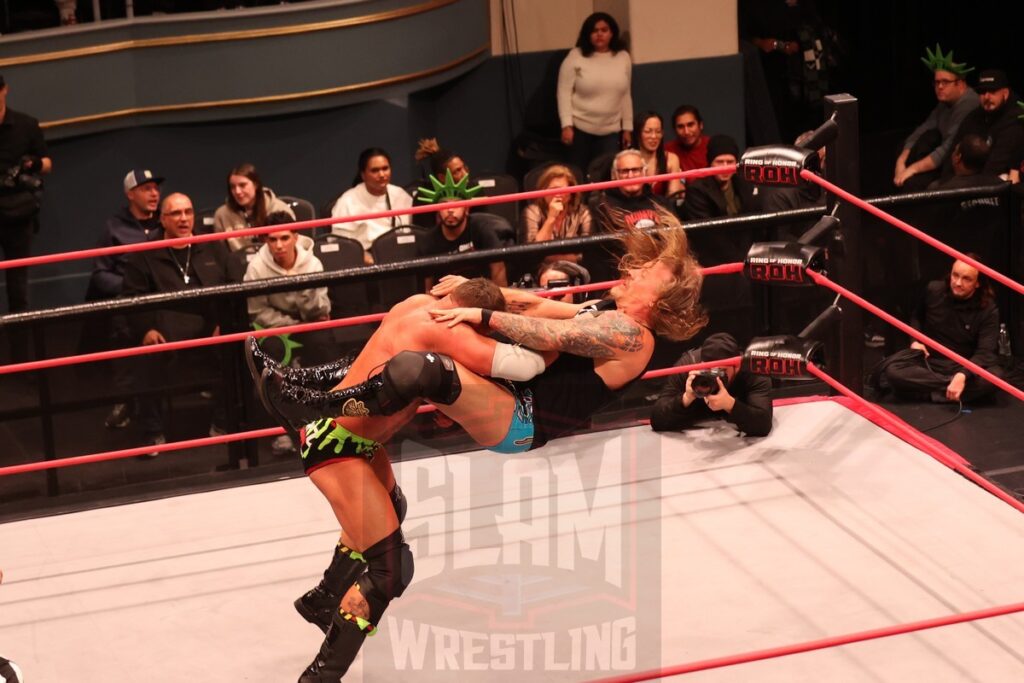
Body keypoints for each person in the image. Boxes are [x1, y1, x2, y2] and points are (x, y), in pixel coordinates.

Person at [250, 218, 707, 681]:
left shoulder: (634, 337)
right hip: (507, 390)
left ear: (662, 297)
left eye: (653, 271)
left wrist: (481, 316)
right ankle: (310, 386)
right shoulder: (604, 307)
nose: (638, 268)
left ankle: (315, 406)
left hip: (521, 417)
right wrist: (476, 290)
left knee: (423, 364)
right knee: (419, 309)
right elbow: (534, 303)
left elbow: (550, 336)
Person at [121, 193, 231, 453]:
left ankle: (225, 424)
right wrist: (146, 329)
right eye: (176, 214)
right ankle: (152, 432)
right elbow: (131, 298)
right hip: (164, 330)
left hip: (209, 328)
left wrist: (223, 323)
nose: (184, 219)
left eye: (188, 212)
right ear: (163, 219)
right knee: (145, 356)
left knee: (237, 347)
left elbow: (231, 288)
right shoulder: (144, 255)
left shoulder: (213, 246)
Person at [245, 211, 332, 455]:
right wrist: (292, 323)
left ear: (296, 236)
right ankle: (285, 429)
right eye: (272, 240)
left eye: (284, 238)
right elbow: (257, 311)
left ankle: (325, 420)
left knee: (323, 344)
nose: (279, 245)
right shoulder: (255, 267)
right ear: (265, 241)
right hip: (275, 330)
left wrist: (302, 286)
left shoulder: (313, 263)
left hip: (307, 324)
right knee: (271, 357)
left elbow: (321, 309)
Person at [874, 257, 1002, 403]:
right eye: (955, 275)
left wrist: (962, 375)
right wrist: (915, 341)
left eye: (967, 279)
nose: (958, 283)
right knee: (893, 371)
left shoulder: (988, 309)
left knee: (995, 377)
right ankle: (952, 392)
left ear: (978, 283)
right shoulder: (934, 290)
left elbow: (985, 353)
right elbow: (916, 316)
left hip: (965, 365)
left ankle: (926, 395)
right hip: (930, 363)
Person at [650, 332, 773, 436]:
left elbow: (763, 425)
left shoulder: (752, 370)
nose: (715, 376)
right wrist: (685, 399)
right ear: (701, 363)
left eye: (721, 371)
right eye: (708, 370)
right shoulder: (689, 365)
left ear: (737, 367)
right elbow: (657, 421)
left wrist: (730, 404)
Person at [0, 73, 52, 315]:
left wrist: (33, 164)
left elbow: (48, 163)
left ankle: (22, 353)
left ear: (5, 90)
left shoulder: (26, 124)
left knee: (18, 292)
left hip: (19, 215)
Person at [894, 45, 978, 191]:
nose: (939, 87)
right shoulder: (944, 104)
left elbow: (947, 148)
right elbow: (922, 130)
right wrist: (901, 161)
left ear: (960, 84)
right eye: (937, 82)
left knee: (915, 183)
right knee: (904, 147)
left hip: (960, 166)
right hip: (946, 161)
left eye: (945, 82)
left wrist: (912, 169)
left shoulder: (968, 104)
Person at [557, 12, 633, 171]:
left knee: (606, 175)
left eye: (604, 30)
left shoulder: (623, 57)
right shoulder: (575, 56)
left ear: (612, 33)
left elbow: (625, 94)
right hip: (580, 130)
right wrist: (566, 125)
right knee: (577, 175)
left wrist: (627, 127)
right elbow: (563, 92)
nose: (599, 34)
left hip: (611, 130)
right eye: (594, 30)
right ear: (588, 34)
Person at [416, 173, 507, 289]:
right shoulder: (428, 241)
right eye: (444, 204)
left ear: (467, 209)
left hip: (482, 294)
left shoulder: (481, 228)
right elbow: (427, 288)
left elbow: (498, 268)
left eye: (457, 204)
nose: (450, 210)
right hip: (446, 300)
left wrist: (500, 303)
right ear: (437, 210)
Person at [86, 169, 165, 302]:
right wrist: (131, 285)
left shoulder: (165, 222)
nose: (154, 194)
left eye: (156, 189)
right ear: (130, 194)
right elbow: (100, 274)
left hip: (163, 298)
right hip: (127, 301)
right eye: (147, 189)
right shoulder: (114, 228)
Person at [331, 147, 413, 261]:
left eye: (385, 168)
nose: (382, 174)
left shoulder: (400, 195)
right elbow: (340, 243)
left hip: (400, 254)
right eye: (375, 170)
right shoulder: (347, 201)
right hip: (366, 260)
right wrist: (364, 257)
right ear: (363, 175)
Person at [946, 69, 1024, 183]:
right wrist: (946, 183)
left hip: (989, 185)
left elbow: (994, 168)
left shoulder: (1015, 119)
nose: (986, 96)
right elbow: (952, 152)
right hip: (966, 179)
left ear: (1005, 93)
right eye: (982, 92)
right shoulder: (974, 116)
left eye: (992, 91)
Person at [519, 163, 592, 265]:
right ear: (543, 191)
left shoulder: (583, 212)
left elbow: (588, 253)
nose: (557, 194)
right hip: (541, 269)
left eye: (562, 190)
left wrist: (553, 258)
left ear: (571, 193)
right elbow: (532, 253)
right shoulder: (532, 212)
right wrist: (551, 219)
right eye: (553, 189)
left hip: (575, 267)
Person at [212, 163, 295, 252]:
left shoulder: (280, 210)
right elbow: (221, 254)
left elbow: (292, 248)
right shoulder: (222, 215)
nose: (237, 191)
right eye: (233, 187)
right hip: (238, 265)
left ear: (255, 184)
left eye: (242, 185)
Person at [682, 134, 759, 220]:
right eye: (719, 162)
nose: (725, 167)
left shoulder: (745, 183)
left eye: (730, 162)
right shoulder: (696, 191)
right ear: (710, 163)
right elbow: (706, 229)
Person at [633, 111, 684, 197]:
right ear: (638, 133)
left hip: (662, 208)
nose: (654, 136)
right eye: (648, 131)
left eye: (658, 131)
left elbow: (673, 197)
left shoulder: (671, 159)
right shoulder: (626, 161)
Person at [664, 104, 711, 173]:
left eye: (690, 125)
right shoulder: (668, 151)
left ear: (700, 125)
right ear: (675, 129)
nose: (686, 132)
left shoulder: (713, 147)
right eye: (680, 127)